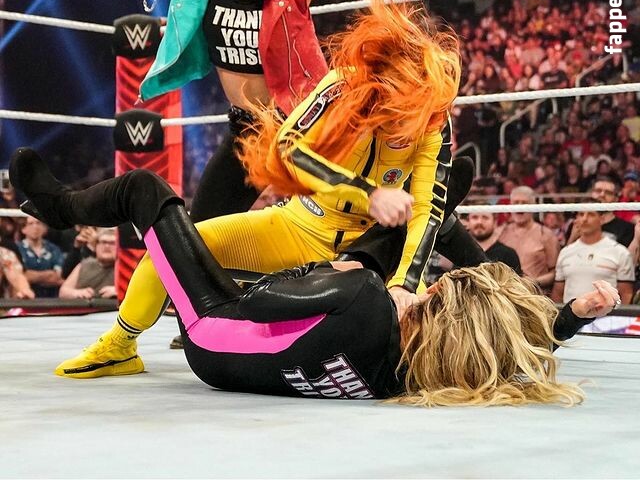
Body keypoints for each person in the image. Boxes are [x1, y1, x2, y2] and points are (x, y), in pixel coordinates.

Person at [34, 0, 468, 376]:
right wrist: (366, 193)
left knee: (406, 318)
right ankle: (121, 344)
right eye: (397, 117)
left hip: (369, 254)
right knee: (167, 252)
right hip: (299, 227)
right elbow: (287, 148)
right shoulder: (342, 88)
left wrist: (404, 285)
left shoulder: (433, 119)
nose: (404, 131)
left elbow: (428, 209)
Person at [10, 148, 621, 405]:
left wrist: (326, 272)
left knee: (146, 189)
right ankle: (438, 205)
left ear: (438, 298)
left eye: (433, 287)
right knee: (392, 246)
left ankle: (59, 208)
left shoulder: (363, 297)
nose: (428, 285)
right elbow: (500, 343)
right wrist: (567, 320)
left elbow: (260, 299)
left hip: (212, 330)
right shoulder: (416, 374)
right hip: (249, 358)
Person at [98, 0, 475, 223]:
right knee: (202, 228)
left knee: (374, 213)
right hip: (249, 131)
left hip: (306, 126)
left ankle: (461, 242)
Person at [552, 204, 635, 305]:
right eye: (581, 214)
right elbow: (558, 293)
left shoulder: (620, 252)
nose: (584, 219)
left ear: (602, 219)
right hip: (571, 313)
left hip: (607, 313)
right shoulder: (565, 252)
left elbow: (626, 293)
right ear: (576, 219)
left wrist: (618, 314)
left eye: (591, 214)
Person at [499, 186, 559, 294]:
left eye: (524, 203)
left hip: (534, 295)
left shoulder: (546, 235)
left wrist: (532, 282)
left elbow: (555, 272)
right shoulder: (501, 233)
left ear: (533, 206)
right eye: (516, 203)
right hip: (505, 295)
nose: (519, 207)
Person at [59, 228, 117, 300]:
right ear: (96, 246)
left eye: (112, 243)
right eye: (103, 242)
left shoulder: (126, 267)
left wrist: (119, 291)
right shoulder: (84, 265)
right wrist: (77, 293)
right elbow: (63, 292)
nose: (107, 246)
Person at [17, 216, 64, 298]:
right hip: (27, 298)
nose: (35, 227)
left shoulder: (54, 249)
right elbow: (21, 277)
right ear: (23, 229)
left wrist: (32, 276)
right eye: (30, 223)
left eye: (38, 223)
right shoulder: (17, 249)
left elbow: (57, 277)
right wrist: (48, 274)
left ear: (44, 228)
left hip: (52, 299)